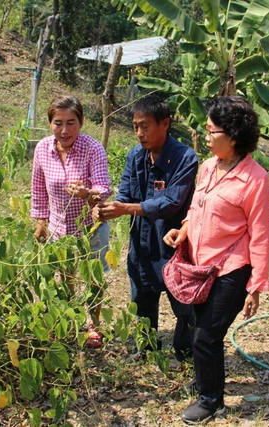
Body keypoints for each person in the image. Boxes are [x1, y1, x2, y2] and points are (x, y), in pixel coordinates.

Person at [163, 96, 269, 424]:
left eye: (212, 131)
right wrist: (183, 231)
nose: (206, 136)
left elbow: (261, 233)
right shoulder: (208, 167)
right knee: (200, 329)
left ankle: (211, 401)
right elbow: (197, 209)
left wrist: (256, 287)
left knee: (207, 335)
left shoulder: (256, 179)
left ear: (234, 136)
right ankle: (206, 382)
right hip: (200, 265)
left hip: (231, 269)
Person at [93, 96, 198, 361]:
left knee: (184, 304)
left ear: (165, 123)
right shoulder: (135, 156)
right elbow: (126, 195)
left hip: (175, 240)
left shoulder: (185, 157)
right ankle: (147, 349)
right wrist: (106, 210)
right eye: (136, 127)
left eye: (145, 126)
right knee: (142, 298)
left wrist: (125, 209)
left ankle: (185, 353)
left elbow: (171, 203)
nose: (139, 133)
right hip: (142, 241)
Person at [30, 95, 112, 348]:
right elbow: (38, 189)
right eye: (58, 123)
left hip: (91, 227)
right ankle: (68, 322)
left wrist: (87, 193)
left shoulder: (92, 148)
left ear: (81, 122)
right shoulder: (43, 148)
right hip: (58, 227)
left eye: (71, 123)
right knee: (64, 276)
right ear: (50, 123)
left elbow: (104, 188)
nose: (64, 130)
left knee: (94, 277)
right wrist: (40, 223)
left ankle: (94, 326)